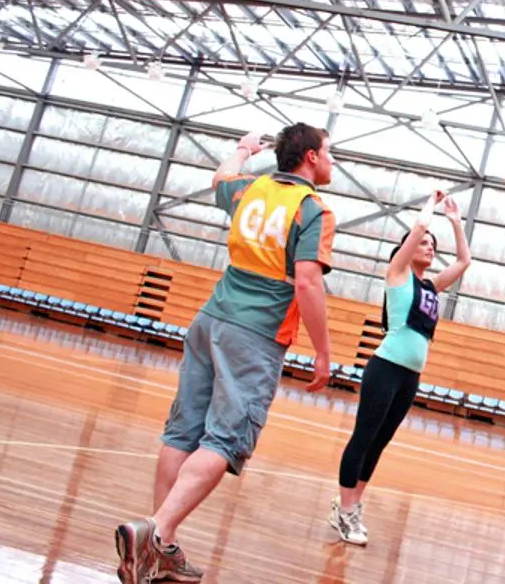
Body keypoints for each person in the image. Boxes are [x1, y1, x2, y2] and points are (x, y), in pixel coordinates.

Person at [114, 123, 336, 584]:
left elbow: (219, 180)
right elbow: (308, 282)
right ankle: (156, 534)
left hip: (209, 320)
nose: (333, 162)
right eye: (329, 153)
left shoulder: (250, 188)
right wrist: (323, 351)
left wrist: (241, 150)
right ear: (311, 157)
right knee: (223, 440)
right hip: (253, 335)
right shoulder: (312, 210)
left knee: (182, 433)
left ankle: (158, 551)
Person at [330, 189, 471, 545]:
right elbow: (417, 230)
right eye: (423, 242)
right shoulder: (397, 274)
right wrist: (430, 206)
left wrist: (455, 222)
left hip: (410, 376)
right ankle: (344, 512)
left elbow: (464, 262)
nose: (428, 246)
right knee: (363, 438)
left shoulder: (430, 287)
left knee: (379, 443)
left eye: (432, 244)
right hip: (386, 368)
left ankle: (353, 504)